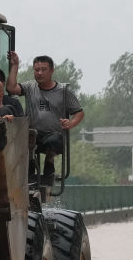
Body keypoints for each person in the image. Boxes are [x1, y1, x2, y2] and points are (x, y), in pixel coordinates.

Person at [7, 51, 85, 183]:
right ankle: (30, 168)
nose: (40, 73)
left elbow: (79, 112)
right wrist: (15, 66)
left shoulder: (63, 90)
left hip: (53, 135)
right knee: (21, 139)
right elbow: (11, 88)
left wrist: (70, 123)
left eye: (43, 70)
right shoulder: (30, 87)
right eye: (36, 70)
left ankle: (49, 162)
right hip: (32, 134)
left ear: (52, 71)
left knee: (54, 141)